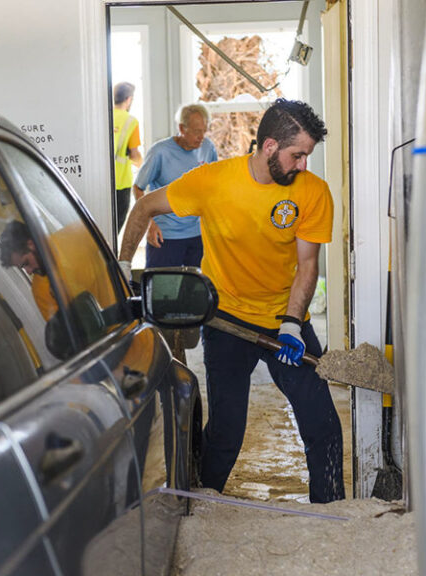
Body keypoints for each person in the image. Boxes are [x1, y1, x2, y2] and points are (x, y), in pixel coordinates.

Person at [118, 99, 344, 503]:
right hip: (225, 320)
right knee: (225, 431)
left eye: (307, 156)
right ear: (271, 146)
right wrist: (121, 267)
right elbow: (145, 205)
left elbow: (307, 266)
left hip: (284, 321)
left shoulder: (312, 192)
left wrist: (292, 323)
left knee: (322, 423)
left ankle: (332, 511)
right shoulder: (213, 181)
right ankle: (199, 507)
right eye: (298, 155)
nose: (303, 165)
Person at [133, 103, 218, 268]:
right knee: (163, 291)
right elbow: (138, 187)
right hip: (166, 235)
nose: (201, 137)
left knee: (196, 290)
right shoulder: (160, 152)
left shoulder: (207, 148)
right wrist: (149, 224)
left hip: (198, 235)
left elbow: (213, 186)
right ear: (182, 128)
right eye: (196, 131)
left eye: (204, 131)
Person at [113, 81, 143, 237]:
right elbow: (134, 155)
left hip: (103, 183)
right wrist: (143, 167)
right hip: (122, 183)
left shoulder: (104, 116)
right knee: (115, 229)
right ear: (129, 99)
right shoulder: (131, 121)